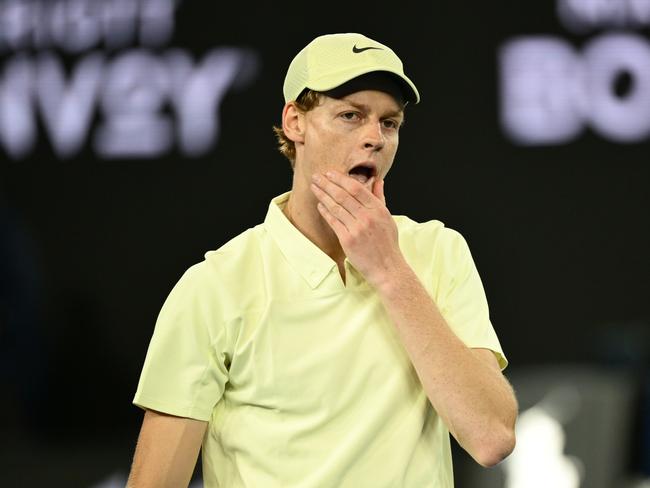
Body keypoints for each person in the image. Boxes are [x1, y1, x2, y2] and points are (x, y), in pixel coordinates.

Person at [127, 32, 518, 488]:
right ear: (295, 121)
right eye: (351, 115)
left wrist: (389, 271)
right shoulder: (215, 286)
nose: (374, 137)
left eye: (389, 123)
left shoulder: (438, 251)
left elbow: (491, 437)